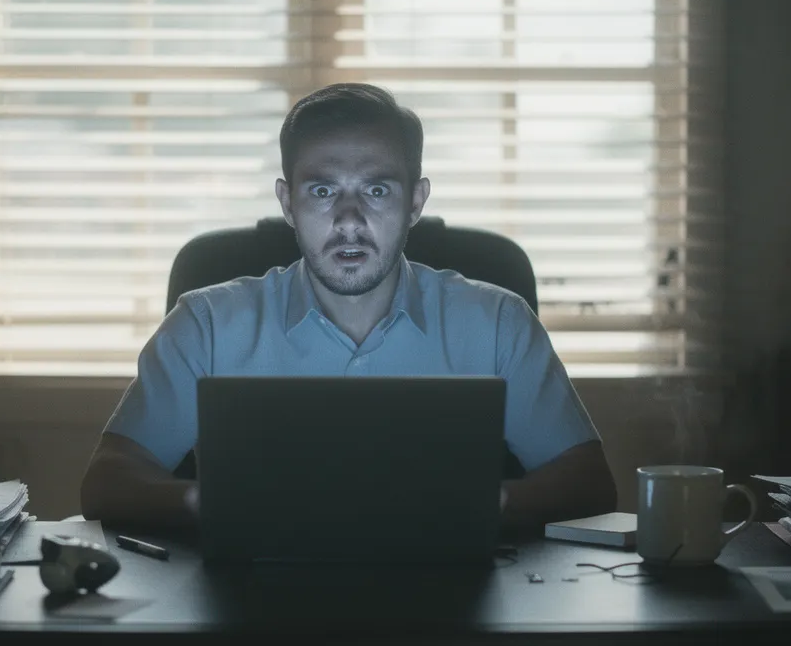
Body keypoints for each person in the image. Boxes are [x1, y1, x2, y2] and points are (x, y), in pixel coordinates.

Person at [80, 83, 617, 535]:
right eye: (322, 191)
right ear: (288, 203)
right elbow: (108, 482)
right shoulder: (207, 326)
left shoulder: (497, 323)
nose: (349, 219)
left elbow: (589, 481)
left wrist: (479, 508)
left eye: (377, 190)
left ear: (416, 201)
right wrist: (213, 505)